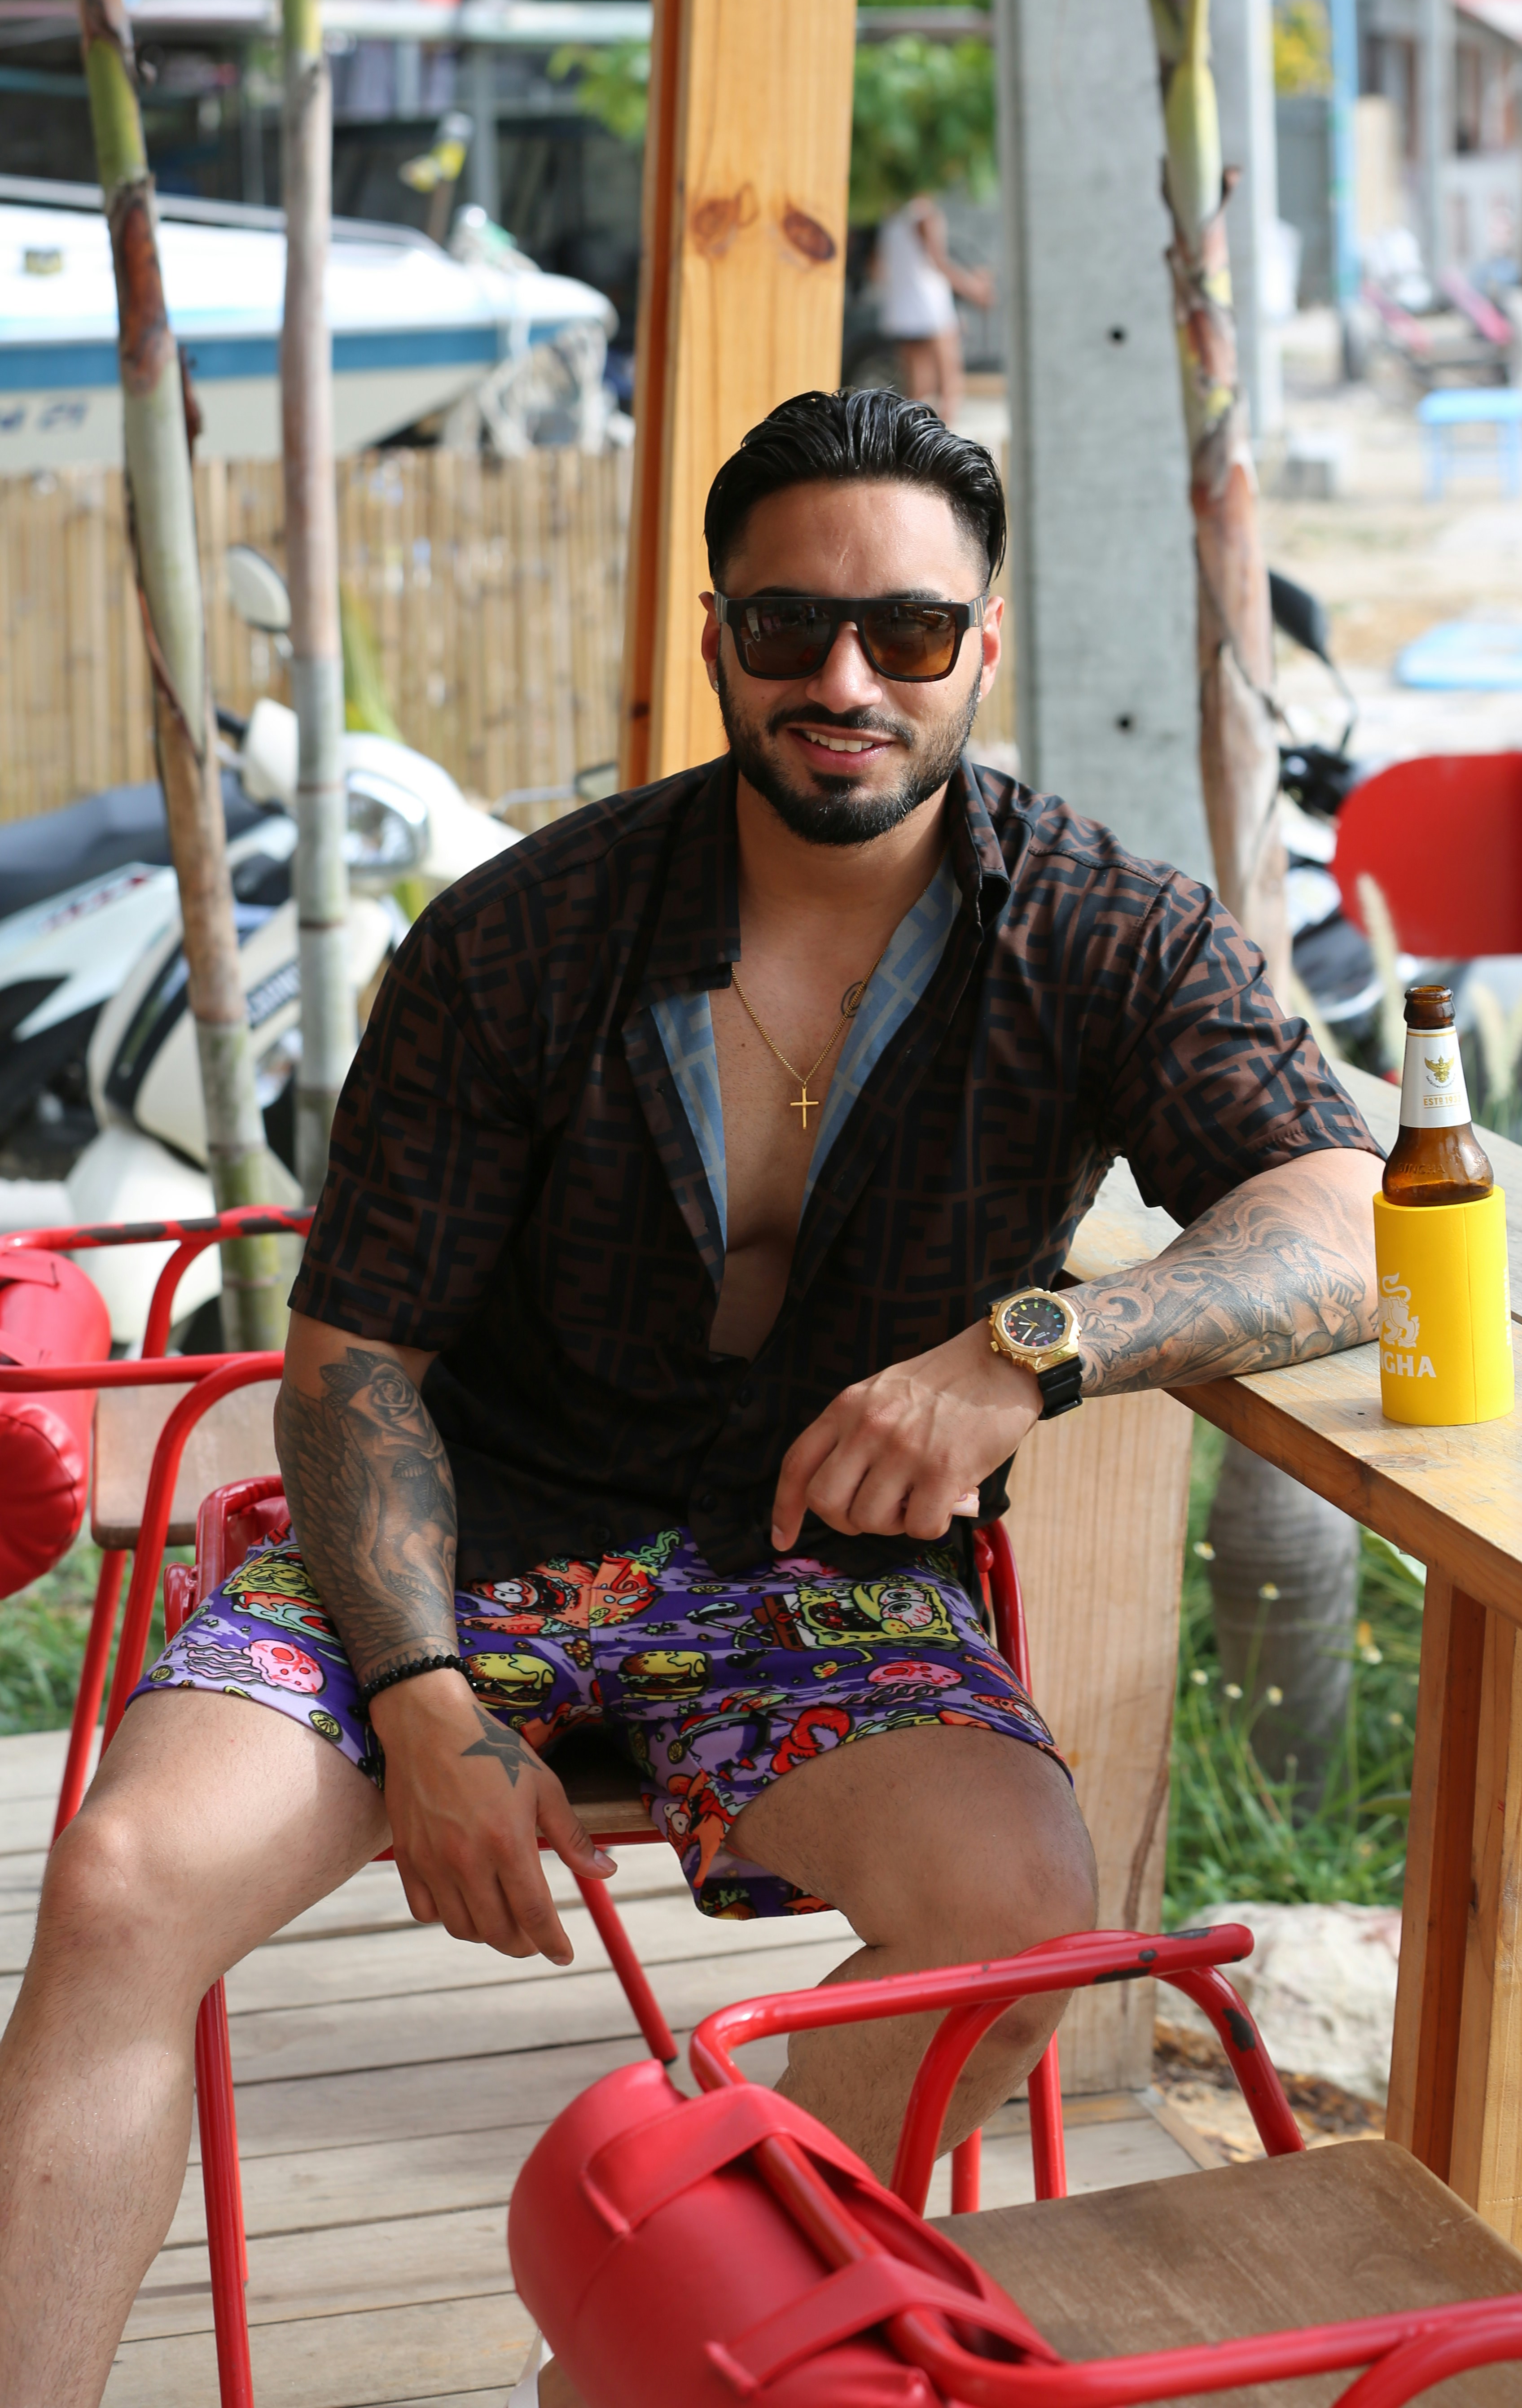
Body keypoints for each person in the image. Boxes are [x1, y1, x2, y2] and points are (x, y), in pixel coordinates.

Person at [0, 390, 1382, 2408]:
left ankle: (642, 2362)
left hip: (817, 1568)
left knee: (1012, 1925)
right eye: (790, 625)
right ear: (718, 633)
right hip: (459, 1532)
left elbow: (1338, 1215)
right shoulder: (522, 935)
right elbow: (359, 1358)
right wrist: (422, 1701)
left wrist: (1032, 1347)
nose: (847, 680)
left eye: (907, 631)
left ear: (981, 646)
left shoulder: (1095, 929)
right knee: (122, 1884)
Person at [876, 194, 993, 423]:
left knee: (917, 391)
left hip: (902, 311)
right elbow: (939, 262)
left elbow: (878, 267)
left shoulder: (891, 216)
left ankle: (913, 438)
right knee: (950, 386)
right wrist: (973, 289)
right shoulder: (926, 215)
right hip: (931, 310)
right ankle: (942, 440)